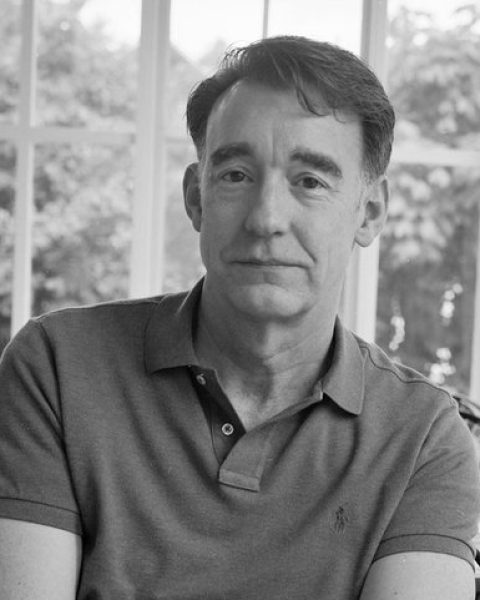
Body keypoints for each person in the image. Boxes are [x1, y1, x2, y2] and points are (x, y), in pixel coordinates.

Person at [0, 36, 479, 600]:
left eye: (310, 181)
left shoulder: (424, 437)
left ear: (369, 212)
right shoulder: (56, 366)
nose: (266, 218)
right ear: (195, 198)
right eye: (235, 175)